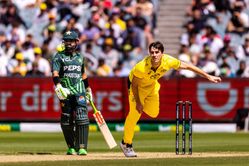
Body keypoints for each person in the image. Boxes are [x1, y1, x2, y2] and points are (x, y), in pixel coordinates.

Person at [120, 41, 222, 157]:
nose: (154, 55)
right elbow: (134, 85)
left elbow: (188, 66)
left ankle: (142, 104)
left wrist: (208, 76)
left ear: (162, 53)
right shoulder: (141, 67)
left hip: (152, 86)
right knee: (134, 114)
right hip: (136, 89)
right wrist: (138, 102)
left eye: (157, 52)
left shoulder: (168, 61)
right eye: (152, 52)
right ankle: (126, 143)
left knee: (154, 113)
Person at [51, 30, 93, 155]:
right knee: (66, 119)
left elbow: (83, 75)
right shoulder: (58, 56)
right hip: (65, 92)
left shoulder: (80, 57)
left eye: (71, 41)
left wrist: (88, 89)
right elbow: (55, 73)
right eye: (66, 41)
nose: (68, 43)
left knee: (82, 117)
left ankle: (82, 147)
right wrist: (58, 86)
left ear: (77, 42)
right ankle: (71, 147)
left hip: (79, 91)